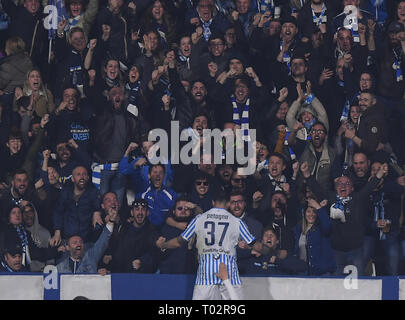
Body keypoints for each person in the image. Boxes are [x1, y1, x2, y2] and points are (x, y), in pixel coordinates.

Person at [156, 192, 270, 300]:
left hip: (206, 273)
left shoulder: (199, 219)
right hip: (229, 272)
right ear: (228, 204)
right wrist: (270, 251)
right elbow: (256, 246)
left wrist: (163, 244)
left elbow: (178, 242)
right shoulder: (237, 222)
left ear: (213, 202)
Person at [56, 206, 117, 274]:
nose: (78, 244)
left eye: (80, 242)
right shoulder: (60, 267)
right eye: (74, 243)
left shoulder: (90, 257)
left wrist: (111, 220)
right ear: (67, 247)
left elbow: (103, 241)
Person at [292, 198, 336, 275]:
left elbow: (327, 225)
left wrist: (318, 207)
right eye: (308, 211)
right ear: (304, 213)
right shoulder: (298, 229)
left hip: (321, 273)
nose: (311, 214)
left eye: (314, 212)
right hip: (303, 272)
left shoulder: (321, 228)